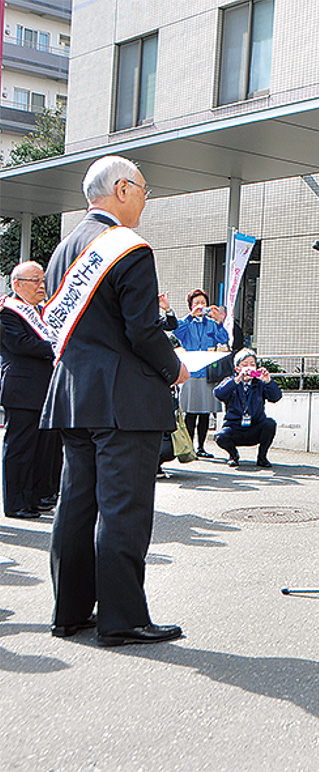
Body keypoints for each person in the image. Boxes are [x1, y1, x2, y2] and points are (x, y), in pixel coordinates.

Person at [41, 155, 189, 646]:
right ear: (122, 189)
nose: (147, 198)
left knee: (76, 505)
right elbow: (143, 331)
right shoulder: (128, 247)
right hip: (123, 400)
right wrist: (177, 367)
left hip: (73, 395)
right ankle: (123, 618)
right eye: (144, 189)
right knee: (123, 509)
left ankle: (71, 612)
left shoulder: (65, 248)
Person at [2, 262, 60, 519]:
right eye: (35, 280)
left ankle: (37, 496)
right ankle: (16, 502)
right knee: (20, 448)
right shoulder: (8, 312)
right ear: (17, 284)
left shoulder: (42, 312)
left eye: (43, 280)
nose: (42, 285)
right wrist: (58, 347)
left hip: (45, 388)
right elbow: (21, 344)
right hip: (22, 388)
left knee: (43, 447)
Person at [173, 289, 229, 458]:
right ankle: (188, 446)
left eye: (203, 303)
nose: (200, 306)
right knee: (190, 413)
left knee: (205, 413)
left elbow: (223, 339)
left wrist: (219, 321)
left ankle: (201, 447)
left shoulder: (211, 324)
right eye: (196, 303)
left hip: (207, 373)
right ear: (190, 305)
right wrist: (191, 315)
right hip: (190, 372)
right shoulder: (187, 323)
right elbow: (176, 330)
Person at [212, 349, 282, 468]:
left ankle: (262, 458)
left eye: (252, 364)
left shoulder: (260, 383)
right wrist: (237, 380)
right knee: (220, 437)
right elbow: (218, 393)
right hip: (235, 427)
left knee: (270, 424)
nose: (249, 368)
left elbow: (276, 397)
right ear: (237, 368)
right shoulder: (232, 381)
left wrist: (268, 381)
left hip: (255, 426)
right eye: (244, 365)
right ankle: (233, 455)